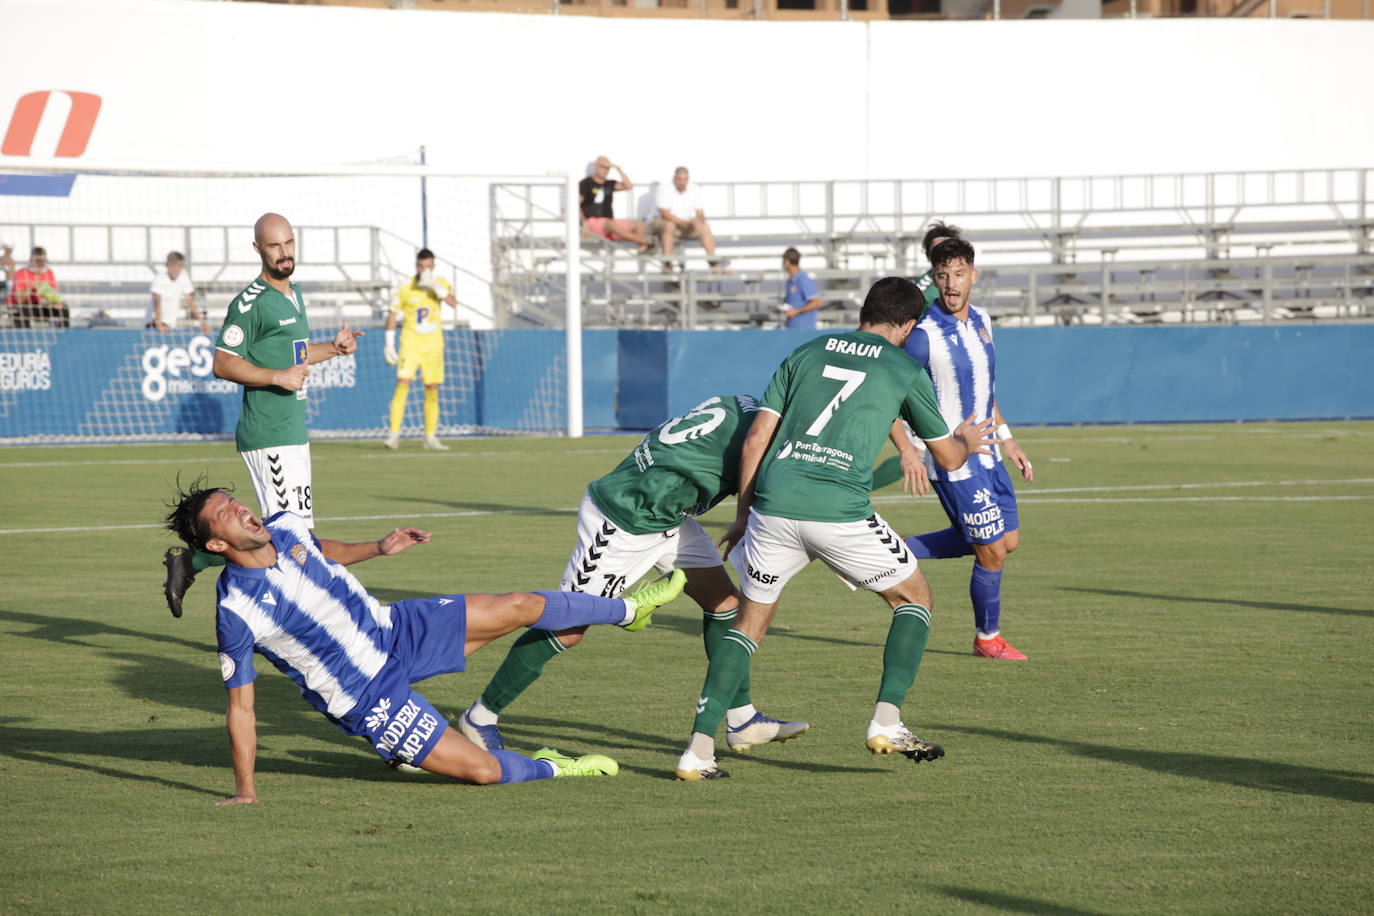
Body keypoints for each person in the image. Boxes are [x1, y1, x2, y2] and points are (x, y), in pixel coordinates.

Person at [163, 481, 690, 803]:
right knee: (482, 772)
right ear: (215, 544)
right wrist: (246, 789)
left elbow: (324, 550)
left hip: (395, 629)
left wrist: (380, 547)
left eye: (235, 501)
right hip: (366, 695)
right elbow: (242, 709)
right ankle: (556, 764)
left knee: (518, 605)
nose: (242, 510)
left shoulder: (285, 528)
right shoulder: (236, 611)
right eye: (227, 514)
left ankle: (628, 610)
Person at [673, 277, 996, 781]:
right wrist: (968, 440)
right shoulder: (905, 368)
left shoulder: (806, 350)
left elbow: (759, 435)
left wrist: (743, 513)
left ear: (865, 310)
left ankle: (696, 752)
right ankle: (887, 721)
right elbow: (949, 458)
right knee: (914, 599)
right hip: (839, 511)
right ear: (909, 325)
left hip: (774, 505)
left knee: (749, 626)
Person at [459, 394, 808, 755]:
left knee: (724, 603)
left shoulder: (743, 402)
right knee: (566, 628)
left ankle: (742, 719)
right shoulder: (766, 436)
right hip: (624, 520)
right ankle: (480, 717)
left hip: (666, 514)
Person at [160, 212, 363, 618]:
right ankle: (280, 621)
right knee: (293, 540)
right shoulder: (249, 303)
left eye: (288, 243)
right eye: (274, 245)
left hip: (292, 431)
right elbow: (222, 363)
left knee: (286, 536)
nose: (284, 252)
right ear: (258, 248)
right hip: (269, 435)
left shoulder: (294, 294)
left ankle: (192, 563)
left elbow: (296, 355)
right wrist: (275, 377)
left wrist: (334, 349)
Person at [900, 237, 1035, 660]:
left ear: (973, 275)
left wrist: (1007, 436)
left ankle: (890, 549)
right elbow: (890, 394)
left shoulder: (983, 320)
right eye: (942, 276)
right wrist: (907, 449)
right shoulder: (922, 336)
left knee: (1005, 541)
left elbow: (986, 389)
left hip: (990, 451)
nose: (951, 284)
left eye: (958, 274)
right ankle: (986, 638)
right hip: (953, 461)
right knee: (991, 551)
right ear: (934, 279)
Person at [383, 248, 458, 451]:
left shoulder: (440, 284)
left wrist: (437, 288)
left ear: (433, 266)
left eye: (428, 266)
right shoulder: (406, 287)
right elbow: (392, 313)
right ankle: (394, 434)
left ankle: (430, 437)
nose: (424, 269)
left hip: (433, 346)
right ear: (416, 266)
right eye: (421, 266)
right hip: (411, 344)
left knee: (432, 389)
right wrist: (389, 343)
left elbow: (453, 303)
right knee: (403, 383)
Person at [649, 166, 719, 269]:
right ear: (674, 178)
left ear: (688, 179)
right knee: (669, 225)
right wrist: (688, 223)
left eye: (684, 179)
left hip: (683, 225)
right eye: (679, 179)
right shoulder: (664, 188)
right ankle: (667, 262)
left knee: (704, 227)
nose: (682, 182)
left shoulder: (694, 189)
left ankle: (713, 261)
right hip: (660, 223)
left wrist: (698, 221)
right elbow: (665, 215)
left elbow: (700, 212)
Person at [579, 157, 650, 253]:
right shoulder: (586, 183)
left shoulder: (609, 184)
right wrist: (584, 223)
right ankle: (644, 242)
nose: (605, 170)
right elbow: (576, 205)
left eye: (608, 168)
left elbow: (628, 186)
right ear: (595, 166)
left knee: (638, 224)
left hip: (609, 223)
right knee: (610, 224)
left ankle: (642, 253)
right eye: (602, 167)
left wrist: (618, 169)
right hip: (593, 223)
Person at [5, 246, 69, 328]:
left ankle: (65, 336)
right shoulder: (21, 273)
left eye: (42, 261)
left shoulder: (49, 273)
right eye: (37, 261)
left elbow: (53, 295)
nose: (40, 264)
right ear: (31, 261)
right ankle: (26, 337)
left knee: (64, 309)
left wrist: (56, 302)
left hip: (39, 307)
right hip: (21, 306)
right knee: (23, 312)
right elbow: (19, 300)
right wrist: (31, 287)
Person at [147, 251, 210, 334]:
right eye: (172, 266)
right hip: (154, 324)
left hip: (170, 325)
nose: (175, 269)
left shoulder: (183, 277)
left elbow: (190, 302)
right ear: (167, 265)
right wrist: (158, 323)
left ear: (181, 266)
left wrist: (202, 322)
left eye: (178, 266)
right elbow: (156, 300)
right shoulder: (160, 278)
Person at [777, 247, 823, 329]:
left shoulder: (802, 279)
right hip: (793, 328)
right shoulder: (790, 281)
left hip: (803, 329)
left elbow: (817, 302)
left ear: (786, 262)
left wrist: (797, 311)